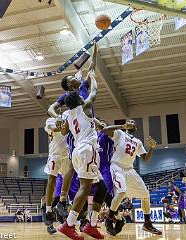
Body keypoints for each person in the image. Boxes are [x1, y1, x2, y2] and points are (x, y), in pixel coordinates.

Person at [49, 45, 98, 222]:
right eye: (72, 77)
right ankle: (62, 199)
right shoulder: (68, 96)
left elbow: (92, 69)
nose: (76, 76)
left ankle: (80, 210)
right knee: (71, 163)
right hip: (76, 131)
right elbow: (51, 108)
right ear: (69, 84)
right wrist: (59, 118)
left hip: (86, 124)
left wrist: (95, 54)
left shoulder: (83, 87)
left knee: (84, 174)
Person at [58, 70, 107, 240]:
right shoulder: (84, 107)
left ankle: (91, 225)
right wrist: (92, 76)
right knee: (85, 188)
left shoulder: (68, 114)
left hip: (79, 152)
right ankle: (69, 225)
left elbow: (64, 131)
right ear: (79, 100)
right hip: (87, 150)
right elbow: (94, 92)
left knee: (101, 187)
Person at [102, 120, 162, 236]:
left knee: (145, 194)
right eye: (129, 121)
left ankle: (147, 223)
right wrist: (121, 126)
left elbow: (145, 158)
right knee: (121, 191)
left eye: (133, 122)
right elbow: (105, 130)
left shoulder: (138, 142)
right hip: (117, 167)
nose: (131, 123)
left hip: (130, 169)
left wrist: (152, 148)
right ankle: (109, 219)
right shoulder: (119, 133)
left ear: (136, 128)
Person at [43, 115, 69, 234]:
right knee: (51, 180)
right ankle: (48, 211)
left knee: (70, 181)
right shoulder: (50, 121)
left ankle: (62, 204)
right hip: (55, 154)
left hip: (68, 155)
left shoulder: (68, 118)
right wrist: (66, 125)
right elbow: (56, 128)